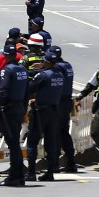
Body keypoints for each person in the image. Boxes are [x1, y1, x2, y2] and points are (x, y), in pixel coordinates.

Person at [0, 43, 28, 187]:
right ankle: (19, 176)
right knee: (15, 143)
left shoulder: (6, 70)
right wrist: (24, 109)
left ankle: (14, 177)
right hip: (19, 108)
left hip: (9, 110)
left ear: (5, 56)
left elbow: (3, 92)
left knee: (13, 144)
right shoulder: (23, 69)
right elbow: (26, 92)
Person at [25, 50, 63, 181]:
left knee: (32, 142)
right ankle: (50, 172)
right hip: (54, 110)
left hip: (41, 112)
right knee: (51, 142)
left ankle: (31, 172)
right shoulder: (59, 75)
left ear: (46, 62)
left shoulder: (42, 76)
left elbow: (30, 88)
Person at [49, 45, 77, 172]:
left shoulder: (57, 67)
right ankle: (71, 162)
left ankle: (55, 164)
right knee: (64, 133)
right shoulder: (67, 65)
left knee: (55, 133)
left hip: (59, 102)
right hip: (67, 102)